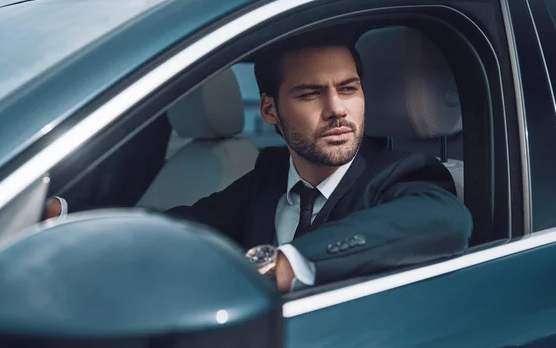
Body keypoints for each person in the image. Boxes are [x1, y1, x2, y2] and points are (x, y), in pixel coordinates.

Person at [47, 30, 472, 292]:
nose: (337, 108)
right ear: (270, 110)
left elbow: (443, 220)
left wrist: (291, 262)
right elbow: (180, 229)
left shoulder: (401, 173)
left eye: (348, 89)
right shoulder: (268, 177)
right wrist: (64, 218)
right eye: (310, 94)